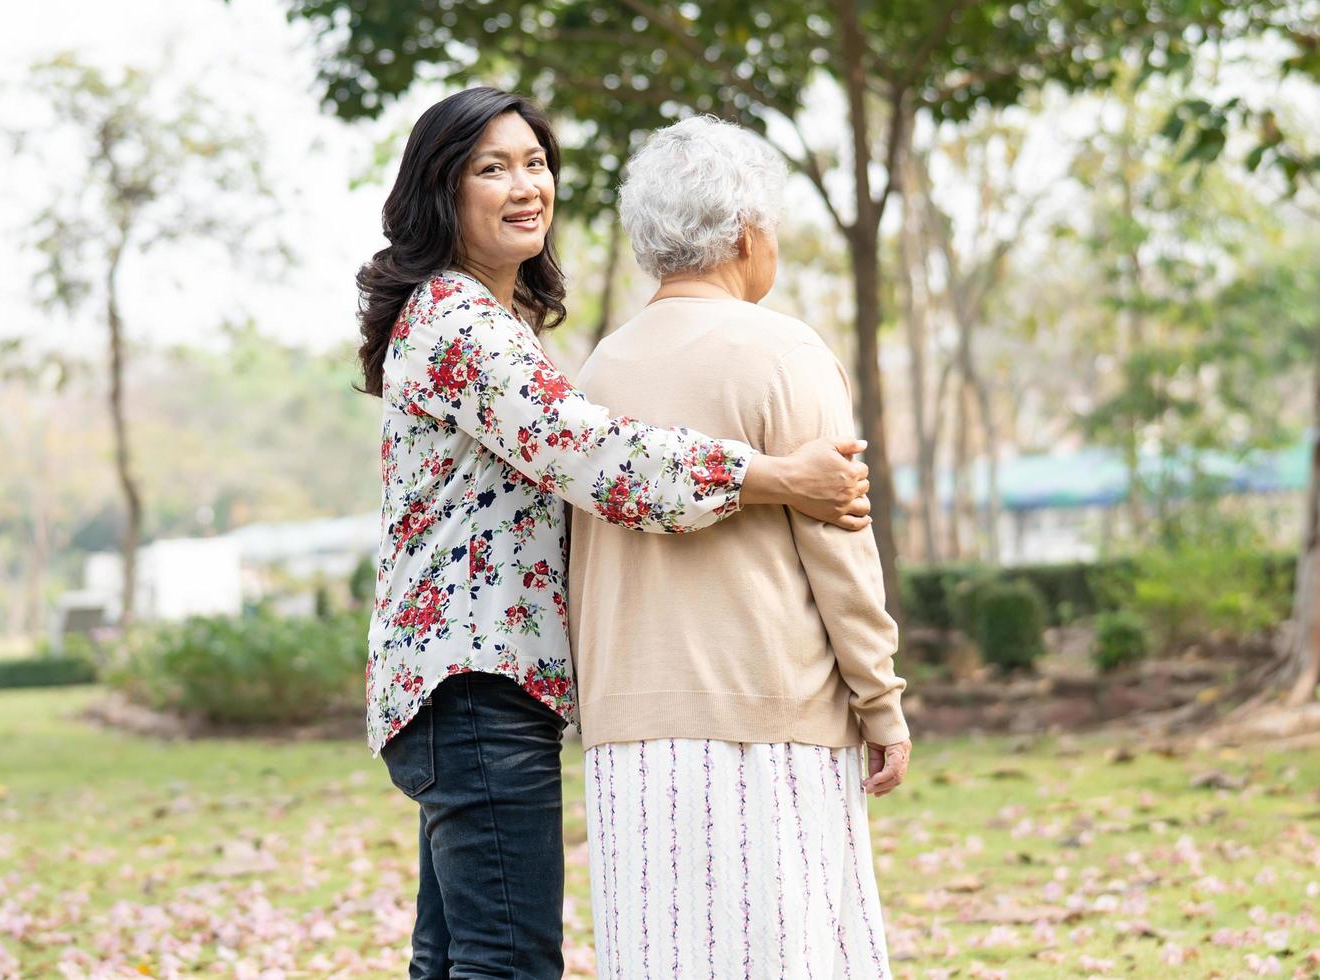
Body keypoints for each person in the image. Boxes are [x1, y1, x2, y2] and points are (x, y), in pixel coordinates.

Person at [356, 87, 875, 980]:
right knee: (508, 961)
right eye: (492, 168)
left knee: (455, 958)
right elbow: (593, 456)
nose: (527, 186)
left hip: (463, 687)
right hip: (477, 683)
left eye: (535, 163)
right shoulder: (460, 327)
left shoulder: (475, 319)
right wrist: (774, 476)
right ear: (443, 191)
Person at [569, 115, 912, 979]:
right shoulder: (784, 352)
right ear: (745, 233)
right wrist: (881, 700)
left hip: (629, 736)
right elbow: (841, 551)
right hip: (770, 717)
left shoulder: (598, 371)